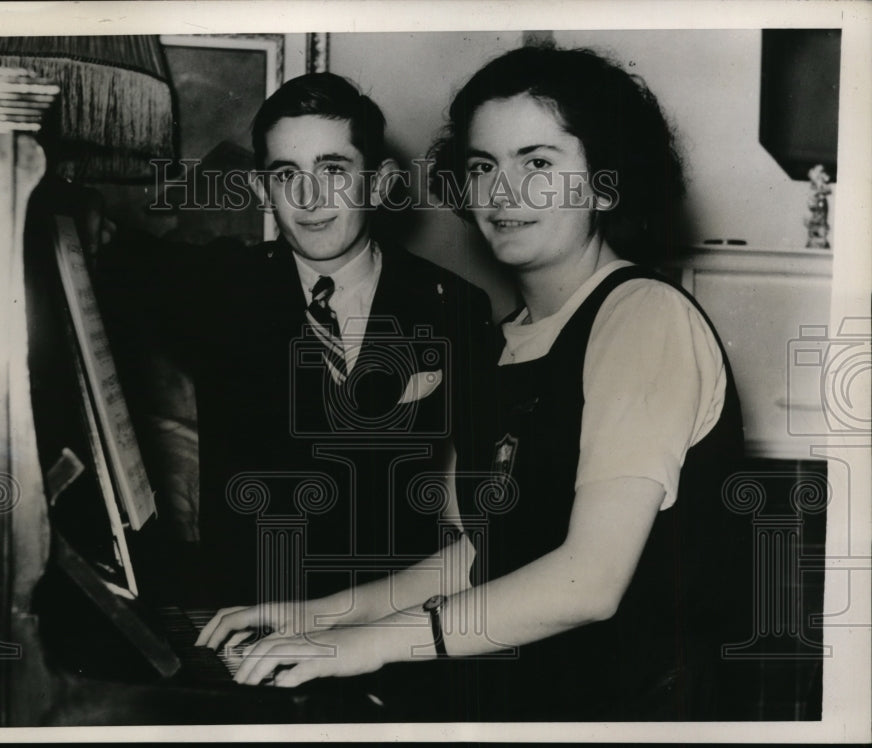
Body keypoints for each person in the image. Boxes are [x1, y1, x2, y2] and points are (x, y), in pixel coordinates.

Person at [198, 46, 751, 721]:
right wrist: (315, 615)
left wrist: (362, 647)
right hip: (542, 700)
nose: (503, 192)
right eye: (484, 167)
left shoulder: (642, 318)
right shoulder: (515, 338)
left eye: (538, 163)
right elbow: (486, 557)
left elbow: (588, 584)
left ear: (607, 185)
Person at [190, 73, 494, 613]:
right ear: (263, 190)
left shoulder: (453, 307)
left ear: (379, 183)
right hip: (248, 618)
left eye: (333, 170)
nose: (308, 198)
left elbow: (466, 502)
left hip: (392, 622)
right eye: (287, 175)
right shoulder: (215, 292)